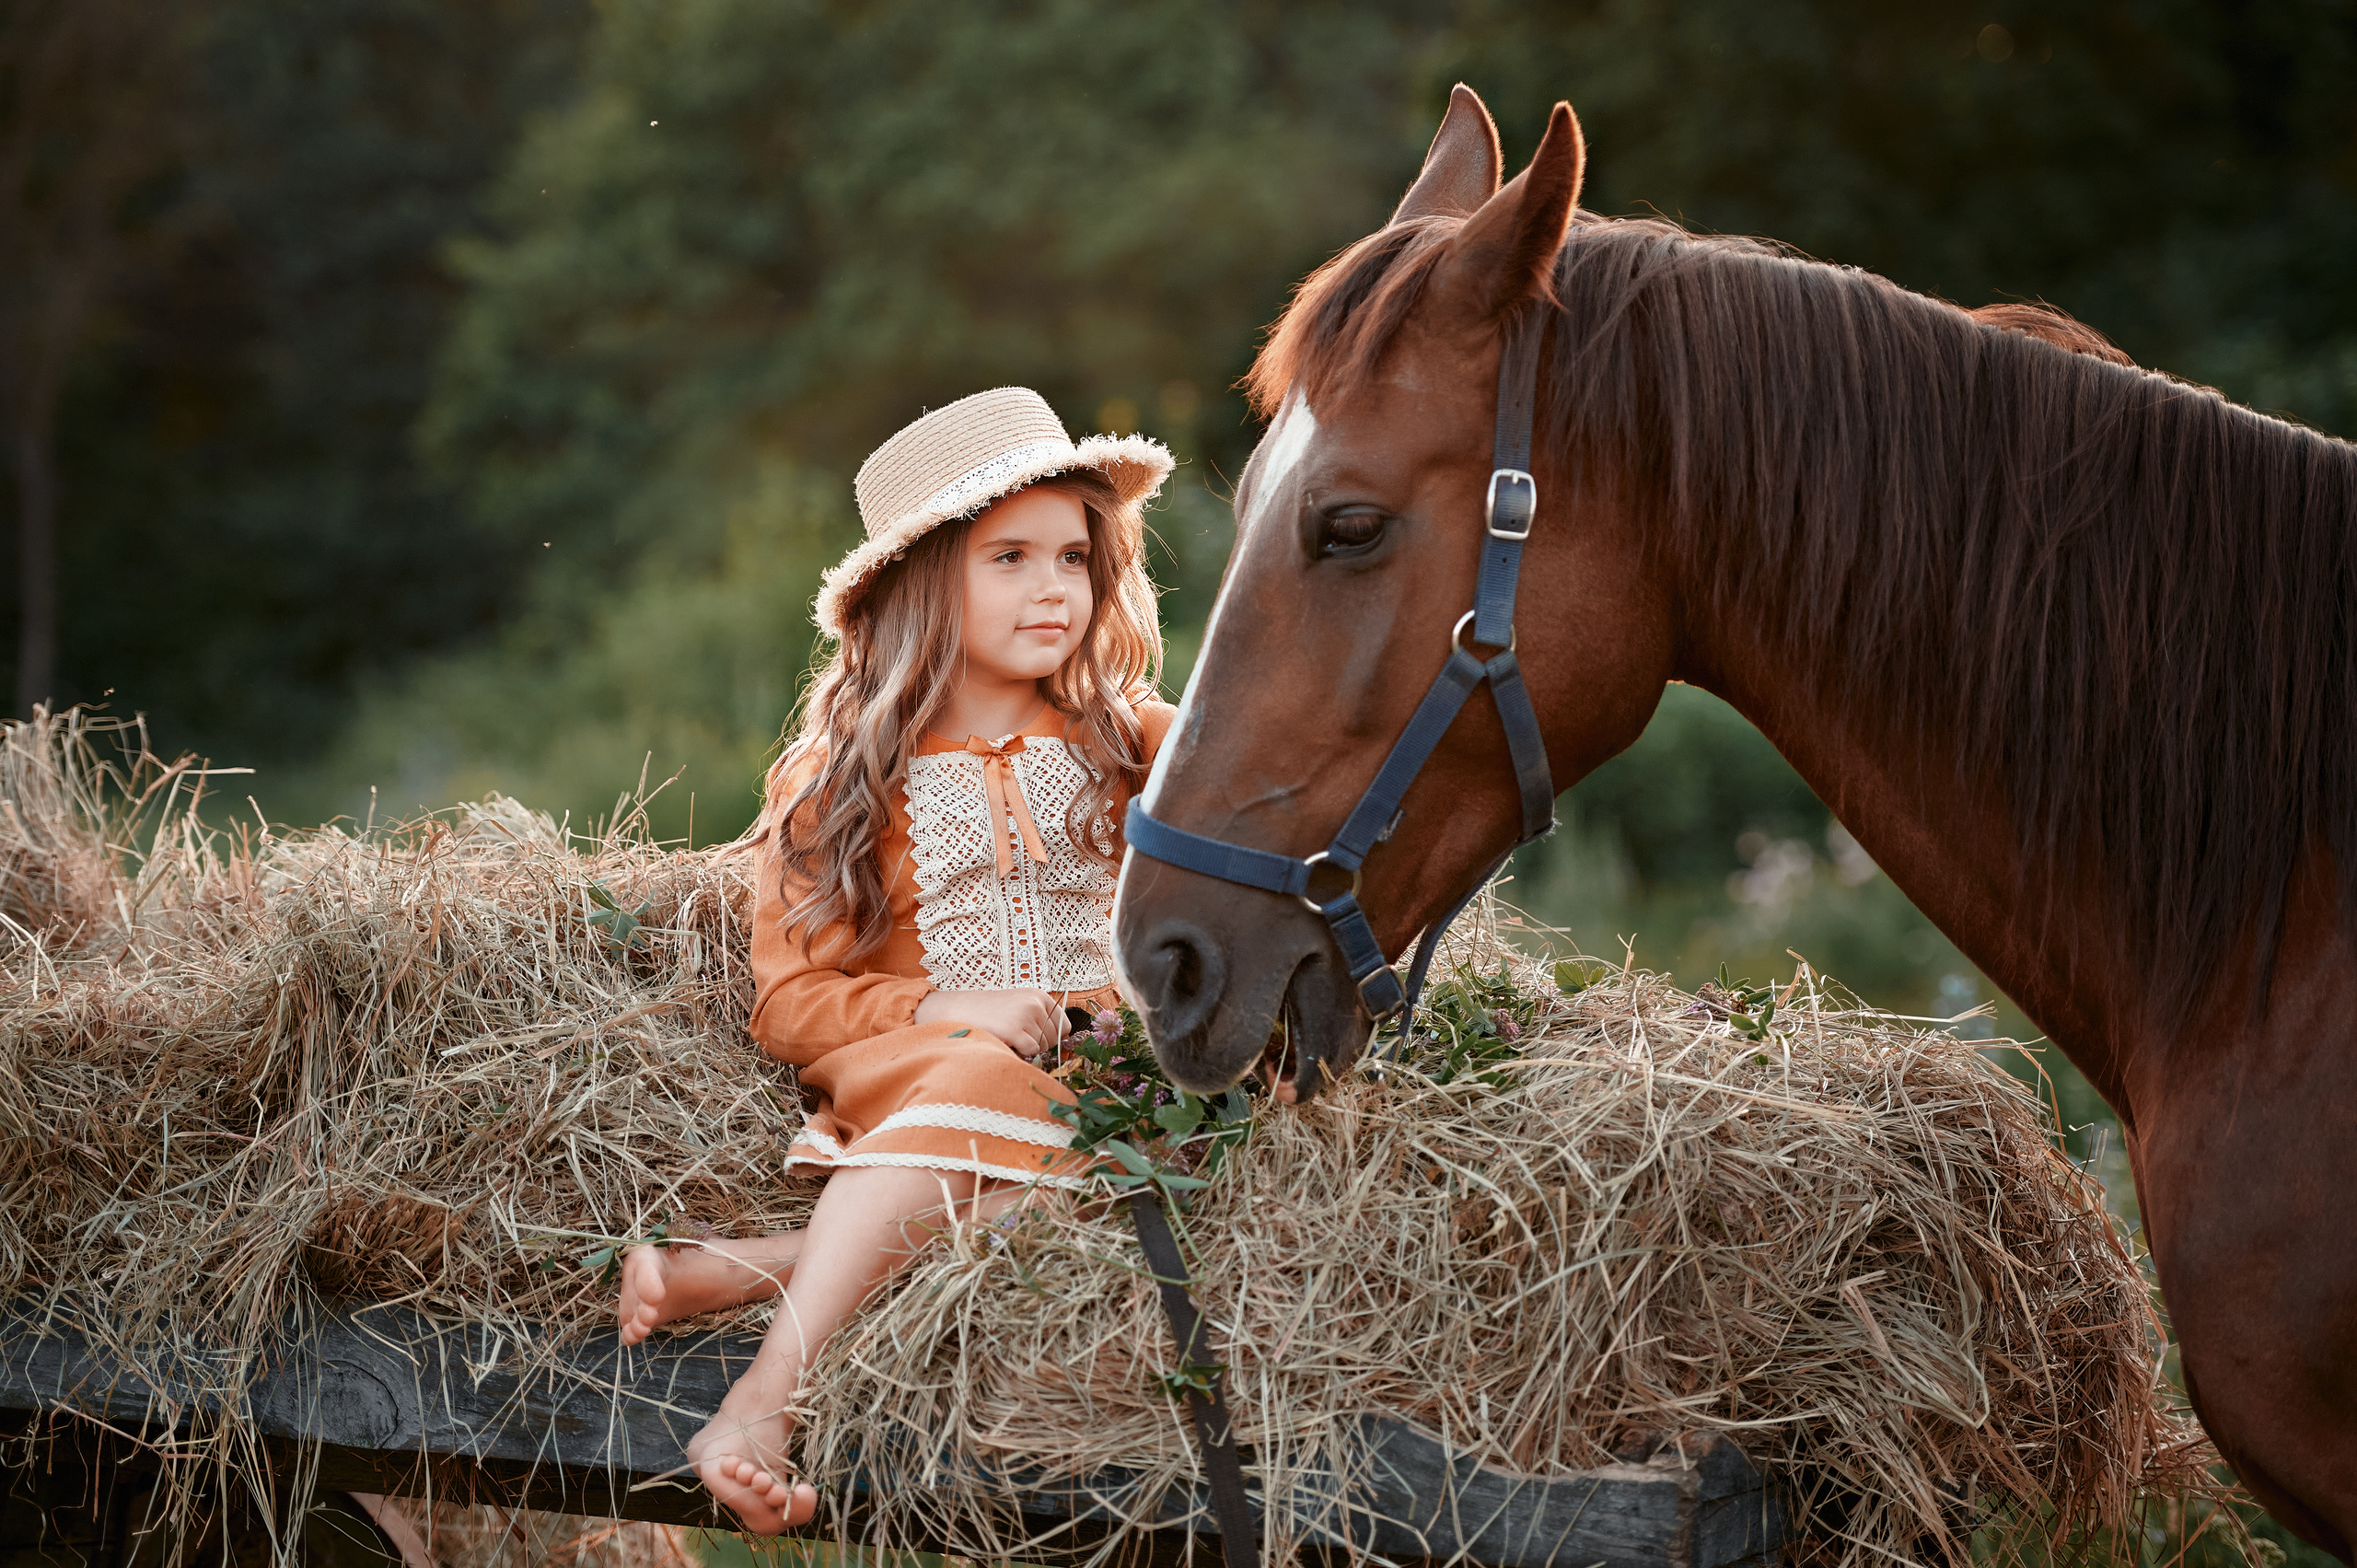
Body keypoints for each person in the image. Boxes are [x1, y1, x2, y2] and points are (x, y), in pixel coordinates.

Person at [613, 388, 1177, 1532]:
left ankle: (754, 1263)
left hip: (1105, 1081)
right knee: (981, 1083)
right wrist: (955, 1007)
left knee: (1162, 1189)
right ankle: (763, 1401)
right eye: (1008, 556)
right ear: (920, 584)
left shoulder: (1144, 743)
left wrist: (1138, 1003)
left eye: (1073, 555)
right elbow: (792, 1002)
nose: (1053, 587)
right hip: (926, 1067)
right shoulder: (837, 783)